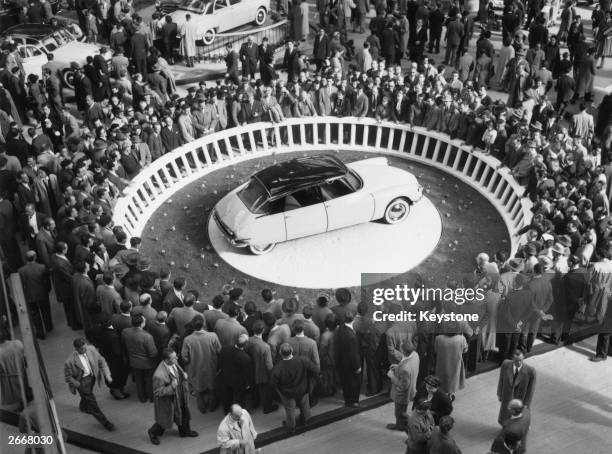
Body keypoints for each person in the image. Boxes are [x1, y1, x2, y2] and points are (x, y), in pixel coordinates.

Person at [147, 348, 198, 445]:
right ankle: (152, 432)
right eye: (174, 358)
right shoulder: (159, 375)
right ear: (166, 360)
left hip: (180, 395)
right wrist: (171, 387)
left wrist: (183, 376)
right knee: (165, 420)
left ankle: (185, 432)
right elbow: (158, 392)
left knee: (183, 413)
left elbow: (178, 373)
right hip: (169, 401)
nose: (177, 358)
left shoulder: (174, 363)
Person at [63, 337, 115, 431]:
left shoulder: (91, 349)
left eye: (85, 347)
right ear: (76, 349)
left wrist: (107, 375)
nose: (85, 350)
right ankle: (106, 423)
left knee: (87, 397)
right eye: (82, 349)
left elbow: (101, 360)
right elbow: (68, 378)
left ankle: (83, 406)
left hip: (92, 378)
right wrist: (79, 385)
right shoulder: (69, 362)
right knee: (93, 404)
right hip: (81, 382)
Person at [271, 342, 318, 433]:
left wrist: (279, 389)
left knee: (290, 410)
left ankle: (291, 427)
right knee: (304, 405)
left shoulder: (278, 368)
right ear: (292, 351)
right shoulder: (303, 360)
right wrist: (309, 382)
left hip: (287, 393)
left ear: (280, 353)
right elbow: (315, 370)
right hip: (303, 388)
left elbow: (273, 384)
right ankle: (306, 421)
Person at [181, 314, 221, 414]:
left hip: (195, 367)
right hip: (211, 366)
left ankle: (202, 408)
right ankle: (212, 406)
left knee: (198, 389)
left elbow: (184, 357)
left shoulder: (188, 339)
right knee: (212, 388)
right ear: (203, 325)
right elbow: (219, 351)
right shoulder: (213, 336)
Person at [121, 314, 158, 403]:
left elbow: (123, 344)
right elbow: (153, 353)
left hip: (134, 362)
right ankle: (151, 398)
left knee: (139, 381)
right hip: (147, 363)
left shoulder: (125, 332)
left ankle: (142, 398)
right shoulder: (147, 337)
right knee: (149, 381)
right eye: (144, 320)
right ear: (142, 324)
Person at [18, 250, 52, 339]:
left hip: (30, 296)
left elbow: (21, 284)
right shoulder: (42, 267)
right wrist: (48, 290)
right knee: (46, 311)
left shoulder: (21, 270)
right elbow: (47, 281)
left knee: (35, 315)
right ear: (35, 257)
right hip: (42, 294)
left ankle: (40, 333)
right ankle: (48, 327)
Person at [386, 340, 419, 431]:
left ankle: (411, 425)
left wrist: (392, 376)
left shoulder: (405, 368)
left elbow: (403, 385)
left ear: (403, 351)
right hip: (411, 390)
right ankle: (400, 426)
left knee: (399, 413)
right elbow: (409, 370)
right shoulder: (415, 355)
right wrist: (398, 367)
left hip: (402, 395)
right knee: (402, 410)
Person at [497, 349, 536, 425]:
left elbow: (531, 390)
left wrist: (526, 404)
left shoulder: (530, 371)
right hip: (507, 398)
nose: (519, 363)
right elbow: (501, 379)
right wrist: (499, 393)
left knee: (517, 422)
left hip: (520, 400)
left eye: (521, 360)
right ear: (512, 359)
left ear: (523, 358)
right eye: (516, 361)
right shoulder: (505, 364)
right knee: (504, 418)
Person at [219, 333, 253, 414]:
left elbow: (220, 362)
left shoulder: (225, 349)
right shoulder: (245, 358)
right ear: (245, 345)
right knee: (239, 398)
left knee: (227, 397)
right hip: (238, 382)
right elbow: (247, 373)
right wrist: (248, 384)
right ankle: (238, 412)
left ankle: (227, 411)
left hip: (225, 377)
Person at [335, 311, 362, 407]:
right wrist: (358, 366)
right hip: (350, 364)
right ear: (353, 320)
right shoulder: (352, 336)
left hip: (341, 362)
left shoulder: (340, 329)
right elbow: (353, 353)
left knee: (345, 383)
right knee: (355, 383)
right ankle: (354, 401)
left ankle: (347, 400)